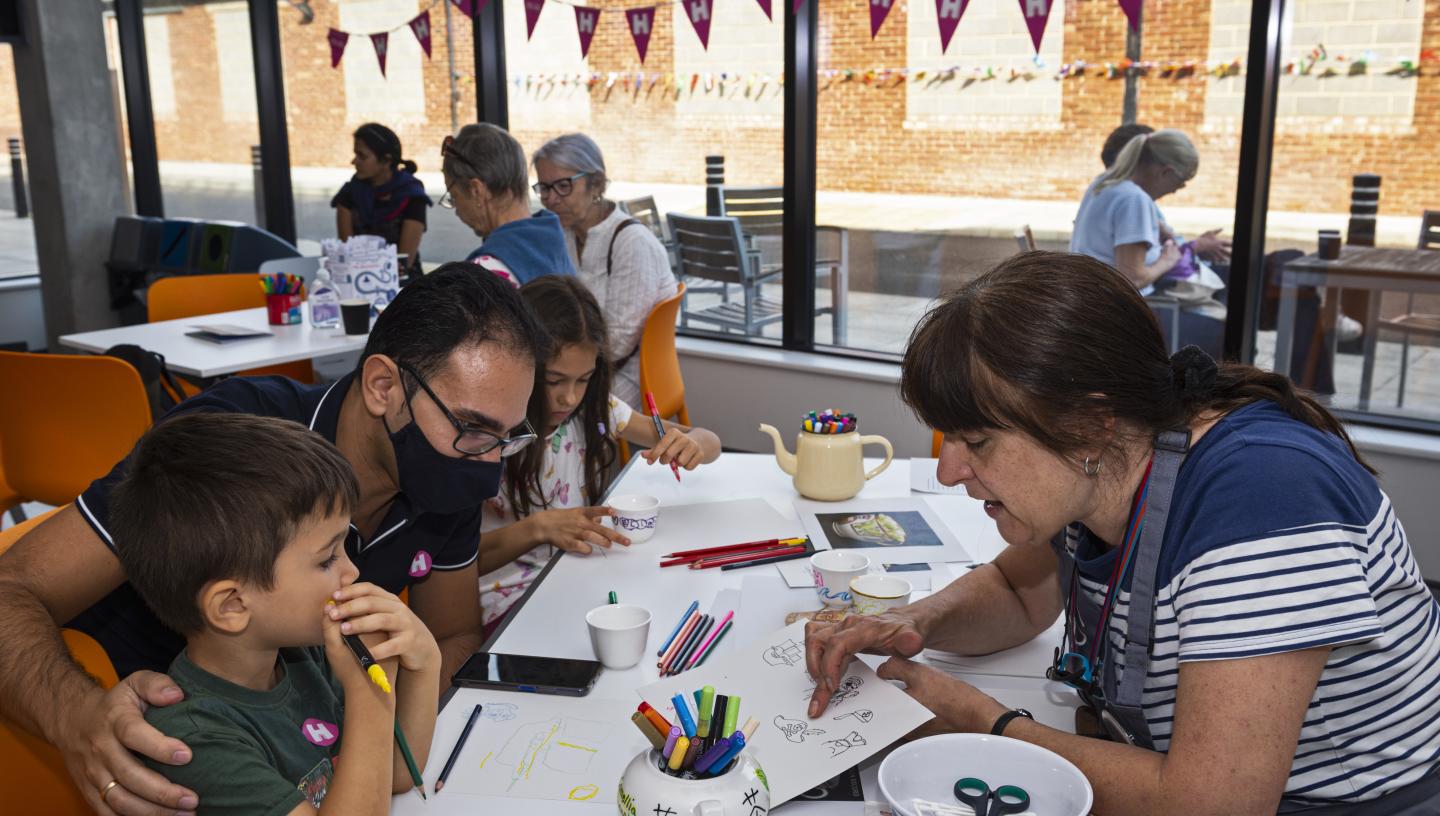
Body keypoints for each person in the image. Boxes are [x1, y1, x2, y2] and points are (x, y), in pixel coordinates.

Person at [805, 251, 1440, 815]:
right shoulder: (1107, 470)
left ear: (1090, 426)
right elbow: (1020, 592)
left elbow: (1214, 804)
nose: (948, 472)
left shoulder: (1261, 494)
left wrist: (980, 724)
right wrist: (916, 622)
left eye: (977, 441)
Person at [0, 263, 544, 814]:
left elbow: (450, 634)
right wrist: (74, 714)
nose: (491, 461)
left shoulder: (444, 472)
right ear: (384, 386)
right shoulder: (235, 448)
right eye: (474, 427)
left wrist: (386, 708)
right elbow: (9, 588)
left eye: (509, 435)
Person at [111, 412, 438, 813]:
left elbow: (398, 774)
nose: (351, 571)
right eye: (326, 559)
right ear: (232, 605)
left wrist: (424, 662)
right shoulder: (194, 738)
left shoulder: (306, 654)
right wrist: (372, 691)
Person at [477, 276, 720, 632]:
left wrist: (695, 442)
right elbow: (458, 561)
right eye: (554, 381)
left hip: (578, 577)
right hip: (508, 602)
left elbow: (709, 441)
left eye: (584, 379)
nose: (570, 398)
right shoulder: (487, 436)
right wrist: (538, 528)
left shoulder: (595, 409)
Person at [532, 134, 678, 406]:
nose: (551, 199)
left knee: (537, 403)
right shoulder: (566, 233)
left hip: (629, 376)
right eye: (544, 188)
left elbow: (618, 342)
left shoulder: (632, 242)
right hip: (586, 369)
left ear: (596, 183)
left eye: (563, 186)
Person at [1070, 129, 1231, 356]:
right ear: (1165, 172)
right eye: (1181, 182)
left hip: (1092, 301)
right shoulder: (1134, 199)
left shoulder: (1105, 183)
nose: (1177, 190)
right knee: (1227, 330)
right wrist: (1167, 260)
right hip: (1119, 315)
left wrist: (1156, 230)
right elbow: (1131, 278)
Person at [440, 123, 576, 285]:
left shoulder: (485, 273)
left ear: (477, 191)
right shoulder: (553, 241)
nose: (457, 211)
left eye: (454, 196)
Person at [333, 123, 431, 277]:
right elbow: (347, 252)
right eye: (355, 154)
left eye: (362, 156)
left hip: (404, 283)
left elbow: (404, 262)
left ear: (386, 161)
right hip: (357, 280)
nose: (354, 161)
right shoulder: (349, 194)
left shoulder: (411, 195)